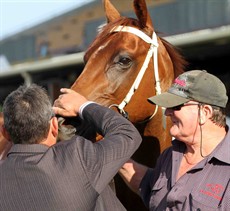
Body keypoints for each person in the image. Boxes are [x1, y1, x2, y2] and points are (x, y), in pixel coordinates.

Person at [0, 83, 142, 211]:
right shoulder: (77, 158)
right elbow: (128, 134)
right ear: (54, 126)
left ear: (5, 132)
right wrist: (84, 106)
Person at [119, 70, 230, 210]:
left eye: (176, 106)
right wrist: (114, 152)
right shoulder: (169, 155)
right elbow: (146, 184)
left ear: (205, 112)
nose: (167, 112)